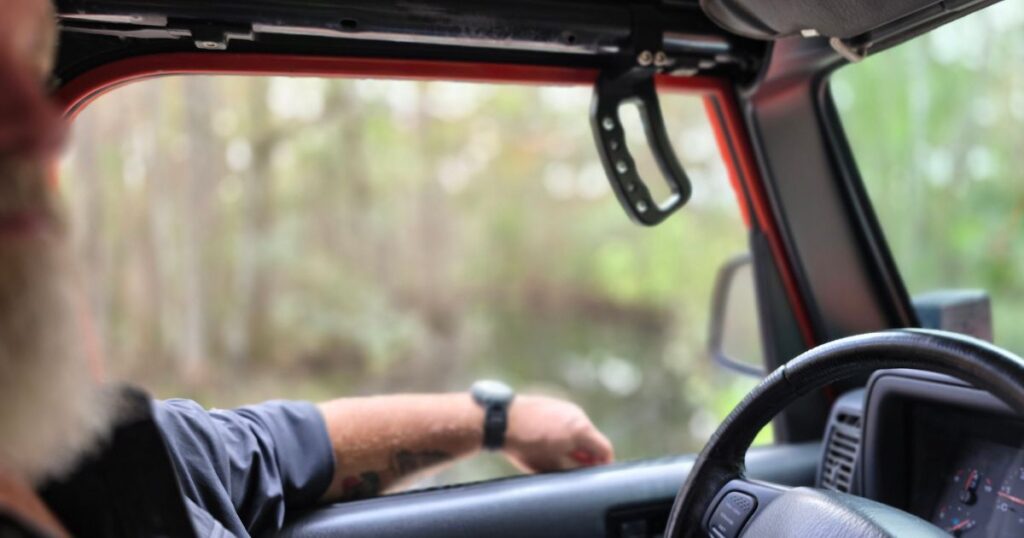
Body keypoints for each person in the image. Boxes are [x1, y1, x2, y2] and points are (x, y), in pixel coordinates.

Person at [0, 1, 615, 536]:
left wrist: (499, 421)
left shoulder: (71, 449)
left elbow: (274, 449)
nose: (43, 130)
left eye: (27, 65)